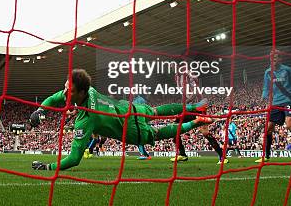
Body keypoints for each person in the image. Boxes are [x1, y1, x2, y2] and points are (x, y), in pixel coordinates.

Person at [29, 69, 211, 171]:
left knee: (158, 132)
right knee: (156, 111)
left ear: (81, 93)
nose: (65, 93)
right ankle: (196, 108)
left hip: (129, 130)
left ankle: (194, 122)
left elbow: (74, 159)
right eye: (65, 89)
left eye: (70, 91)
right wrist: (40, 109)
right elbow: (54, 98)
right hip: (128, 109)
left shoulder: (85, 122)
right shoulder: (89, 90)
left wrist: (48, 167)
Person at [257, 50, 291, 163]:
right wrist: (263, 97)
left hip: (288, 101)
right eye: (271, 58)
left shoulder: (287, 70)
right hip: (275, 103)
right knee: (268, 129)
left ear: (280, 59)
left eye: (276, 58)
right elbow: (266, 88)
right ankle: (266, 156)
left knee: (289, 124)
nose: (273, 60)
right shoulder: (268, 72)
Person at [171, 64, 225, 164]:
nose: (173, 69)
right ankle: (182, 155)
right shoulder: (177, 77)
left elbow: (195, 91)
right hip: (190, 108)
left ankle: (222, 157)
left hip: (199, 107)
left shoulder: (187, 75)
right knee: (174, 129)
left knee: (204, 132)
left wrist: (186, 102)